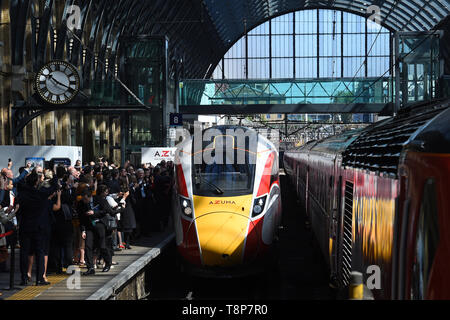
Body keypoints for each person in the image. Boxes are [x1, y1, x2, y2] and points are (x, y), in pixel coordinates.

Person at [16, 170, 57, 286]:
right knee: (39, 252)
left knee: (24, 252)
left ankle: (24, 278)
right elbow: (53, 187)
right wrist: (54, 176)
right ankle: (40, 278)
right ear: (36, 182)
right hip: (39, 227)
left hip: (25, 226)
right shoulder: (40, 193)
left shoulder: (22, 194)